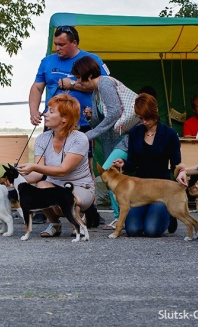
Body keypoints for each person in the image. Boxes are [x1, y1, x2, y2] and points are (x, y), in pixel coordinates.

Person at [28, 25, 109, 225]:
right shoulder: (47, 62)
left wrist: (73, 84)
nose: (57, 48)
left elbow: (105, 84)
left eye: (62, 44)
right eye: (55, 44)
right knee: (45, 160)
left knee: (86, 165)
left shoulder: (92, 60)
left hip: (83, 123)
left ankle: (91, 209)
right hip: (55, 122)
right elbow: (37, 87)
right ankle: (43, 203)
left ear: (75, 43)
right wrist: (33, 111)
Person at [17, 94, 95, 237]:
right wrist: (17, 176)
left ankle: (78, 219)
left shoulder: (80, 139)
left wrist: (33, 166)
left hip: (80, 186)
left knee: (66, 201)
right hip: (54, 185)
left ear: (64, 119)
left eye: (51, 111)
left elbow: (63, 170)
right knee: (40, 187)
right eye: (47, 110)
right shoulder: (42, 138)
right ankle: (54, 224)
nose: (45, 114)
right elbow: (37, 175)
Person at [71, 56, 132, 229]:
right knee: (112, 173)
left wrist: (89, 134)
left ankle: (120, 217)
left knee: (109, 173)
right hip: (112, 140)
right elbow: (103, 123)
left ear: (89, 76)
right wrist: (91, 119)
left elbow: (114, 113)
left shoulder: (104, 83)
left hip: (124, 138)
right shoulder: (96, 92)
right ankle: (118, 216)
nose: (77, 82)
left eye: (78, 77)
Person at [112, 93, 181, 237]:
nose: (144, 121)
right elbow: (132, 164)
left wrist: (180, 175)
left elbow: (176, 164)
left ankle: (169, 214)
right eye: (140, 118)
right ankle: (157, 215)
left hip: (161, 190)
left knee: (151, 230)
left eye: (146, 117)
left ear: (155, 112)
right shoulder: (135, 133)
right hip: (140, 190)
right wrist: (123, 164)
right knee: (133, 230)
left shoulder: (170, 134)